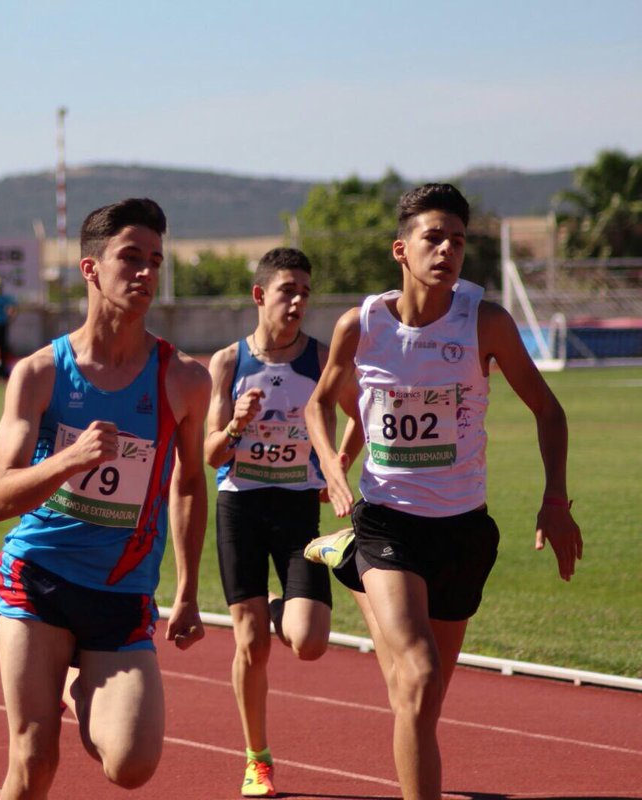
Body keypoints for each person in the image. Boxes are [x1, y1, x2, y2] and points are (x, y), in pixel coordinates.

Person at [303, 183, 583, 800]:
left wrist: (555, 501)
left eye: (458, 239)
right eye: (434, 237)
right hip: (388, 521)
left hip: (464, 529)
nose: (448, 249)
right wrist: (330, 464)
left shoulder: (485, 321)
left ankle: (344, 557)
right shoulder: (363, 325)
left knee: (419, 702)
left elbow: (550, 412)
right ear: (401, 249)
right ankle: (359, 554)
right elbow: (318, 403)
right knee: (421, 675)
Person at [0, 198, 211, 799]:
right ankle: (62, 669)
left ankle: (78, 680)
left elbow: (189, 483)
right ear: (91, 268)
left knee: (131, 765)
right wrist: (69, 460)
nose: (144, 273)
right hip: (39, 578)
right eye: (129, 258)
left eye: (155, 261)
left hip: (121, 591)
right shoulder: (39, 373)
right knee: (33, 760)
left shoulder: (183, 379)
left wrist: (187, 590)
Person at [205, 247, 363, 797]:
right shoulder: (227, 362)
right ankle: (258, 759)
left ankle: (281, 609)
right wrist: (234, 427)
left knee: (309, 642)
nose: (297, 301)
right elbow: (209, 454)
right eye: (286, 291)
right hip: (241, 506)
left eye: (304, 292)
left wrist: (334, 466)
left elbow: (359, 414)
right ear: (259, 295)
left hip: (298, 508)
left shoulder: (320, 358)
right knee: (250, 643)